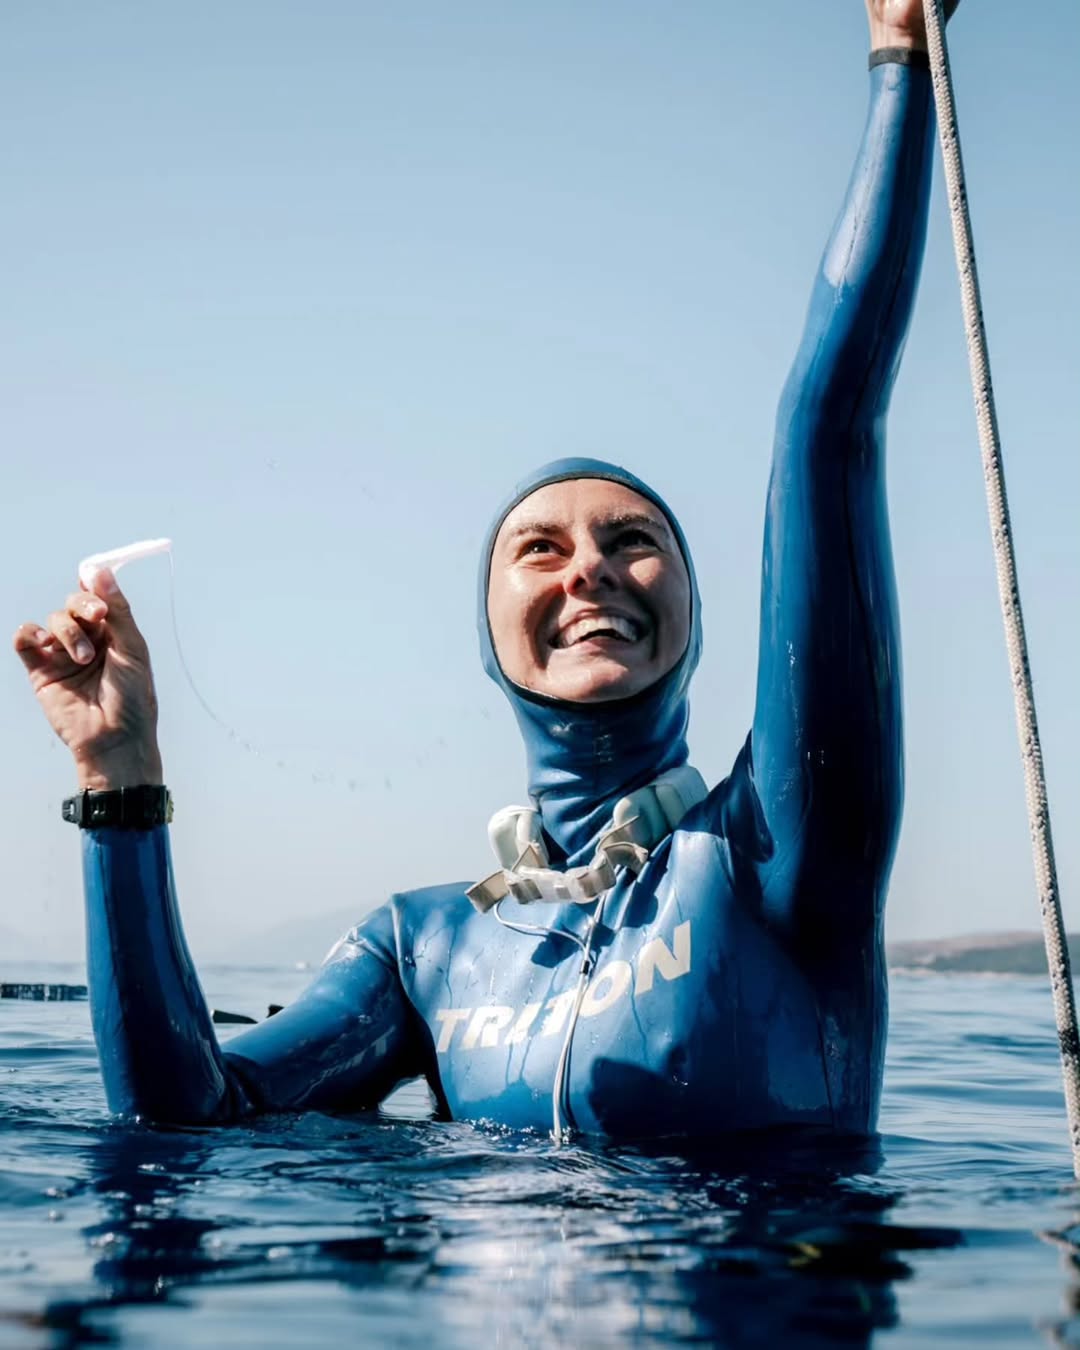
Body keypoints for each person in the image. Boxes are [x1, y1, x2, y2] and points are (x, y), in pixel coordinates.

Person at [14, 0, 957, 1140]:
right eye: (540, 549)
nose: (589, 572)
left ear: (697, 614)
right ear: (489, 634)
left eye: (634, 541)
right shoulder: (425, 947)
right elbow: (189, 1116)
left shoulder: (776, 847)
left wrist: (900, 60)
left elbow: (826, 429)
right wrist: (120, 779)